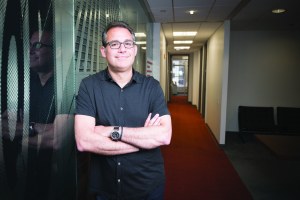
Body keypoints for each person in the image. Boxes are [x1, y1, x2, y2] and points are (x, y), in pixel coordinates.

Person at [75, 21, 172, 200]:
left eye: (128, 44)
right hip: (105, 188)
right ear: (103, 51)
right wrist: (143, 141)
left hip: (147, 186)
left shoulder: (152, 87)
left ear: (134, 49)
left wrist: (112, 131)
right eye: (114, 44)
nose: (122, 49)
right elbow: (84, 141)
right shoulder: (89, 86)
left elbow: (164, 136)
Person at [25, 29, 55, 200]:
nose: (30, 51)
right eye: (29, 45)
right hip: (24, 171)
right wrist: (39, 129)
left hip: (55, 175)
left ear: (55, 50)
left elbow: (56, 136)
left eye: (37, 45)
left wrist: (23, 127)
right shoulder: (22, 86)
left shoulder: (63, 88)